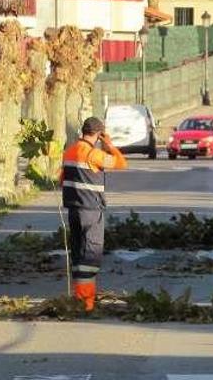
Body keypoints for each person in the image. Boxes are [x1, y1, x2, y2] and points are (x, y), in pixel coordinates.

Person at [60, 116, 128, 311]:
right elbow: (121, 163)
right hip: (91, 210)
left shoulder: (69, 151)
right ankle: (85, 302)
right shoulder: (94, 155)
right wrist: (110, 145)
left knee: (78, 253)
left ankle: (79, 297)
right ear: (99, 134)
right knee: (90, 255)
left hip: (74, 209)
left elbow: (62, 179)